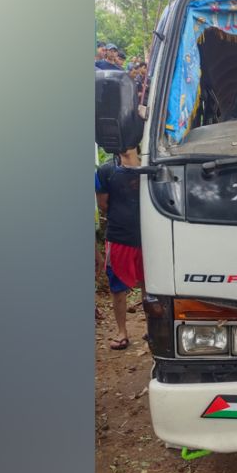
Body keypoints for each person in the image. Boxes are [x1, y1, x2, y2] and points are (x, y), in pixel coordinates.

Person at [96, 147, 144, 350]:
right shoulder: (105, 171)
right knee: (117, 287)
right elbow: (103, 204)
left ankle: (154, 328)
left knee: (149, 285)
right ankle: (121, 331)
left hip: (149, 236)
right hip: (118, 237)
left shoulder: (152, 165)